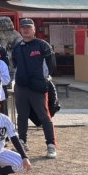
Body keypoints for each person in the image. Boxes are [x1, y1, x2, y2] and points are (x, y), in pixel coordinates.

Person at [12, 18, 57, 159]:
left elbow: (51, 65)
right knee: (22, 115)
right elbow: (15, 64)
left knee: (44, 116)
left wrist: (42, 79)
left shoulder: (42, 45)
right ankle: (22, 142)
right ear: (20, 30)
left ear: (34, 29)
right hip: (21, 86)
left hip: (37, 86)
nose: (26, 30)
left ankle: (51, 144)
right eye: (23, 27)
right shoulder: (17, 47)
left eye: (28, 27)